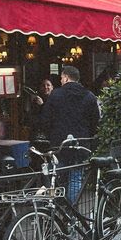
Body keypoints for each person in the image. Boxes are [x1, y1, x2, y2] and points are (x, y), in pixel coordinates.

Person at [41, 65, 99, 201]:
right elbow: (95, 121)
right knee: (76, 178)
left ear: (66, 77)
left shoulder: (56, 94)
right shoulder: (89, 96)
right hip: (81, 143)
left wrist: (50, 135)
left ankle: (60, 207)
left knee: (58, 175)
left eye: (61, 78)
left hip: (59, 143)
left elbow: (45, 119)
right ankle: (72, 212)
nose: (60, 81)